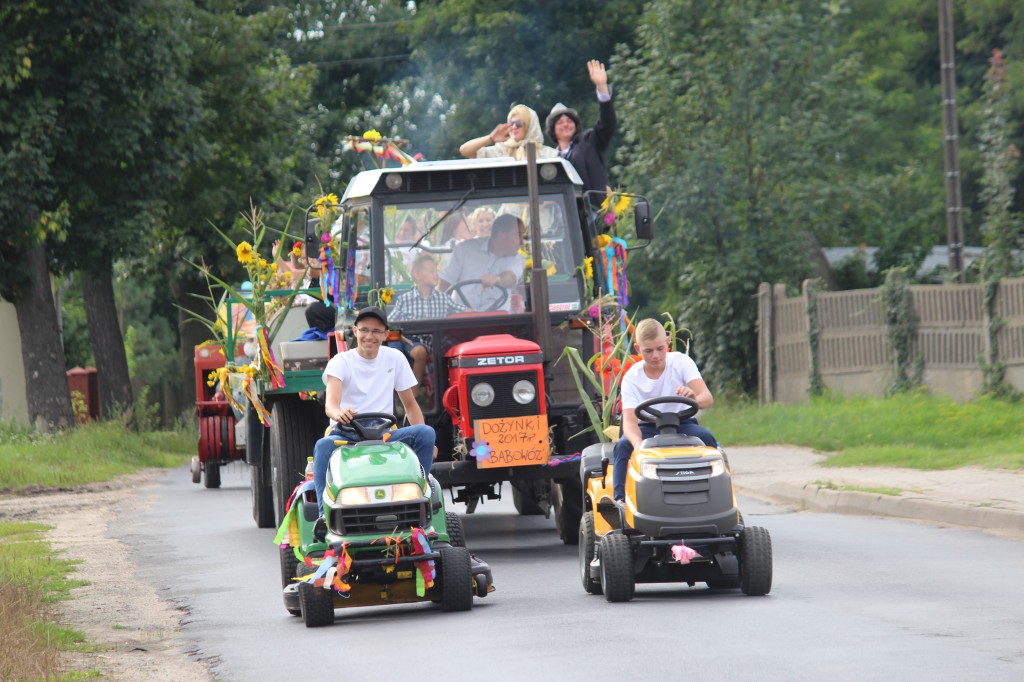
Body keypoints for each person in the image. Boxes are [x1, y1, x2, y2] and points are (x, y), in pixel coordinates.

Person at [311, 306, 436, 510]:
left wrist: (431, 445)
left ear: (386, 334)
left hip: (384, 433)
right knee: (322, 446)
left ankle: (420, 499)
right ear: (355, 331)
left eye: (376, 331)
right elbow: (331, 406)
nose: (370, 336)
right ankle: (322, 515)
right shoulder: (340, 362)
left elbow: (410, 404)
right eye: (365, 330)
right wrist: (340, 414)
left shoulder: (394, 358)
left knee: (426, 433)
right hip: (347, 434)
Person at [612, 318, 717, 502]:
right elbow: (629, 422)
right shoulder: (631, 377)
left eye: (660, 349)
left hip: (682, 424)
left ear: (667, 343)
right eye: (648, 351)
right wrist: (638, 446)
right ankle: (619, 503)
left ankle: (718, 496)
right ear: (638, 349)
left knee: (706, 438)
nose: (656, 356)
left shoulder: (681, 362)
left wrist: (694, 398)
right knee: (622, 447)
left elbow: (706, 398)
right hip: (647, 429)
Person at [388, 254, 467, 382]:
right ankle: (413, 395)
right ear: (418, 275)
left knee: (461, 348)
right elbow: (391, 322)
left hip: (438, 340)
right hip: (415, 340)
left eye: (436, 271)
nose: (436, 274)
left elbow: (462, 310)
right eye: (432, 271)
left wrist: (482, 312)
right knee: (420, 352)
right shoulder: (405, 299)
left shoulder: (443, 298)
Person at [545, 60, 616, 197]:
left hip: (595, 213)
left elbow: (607, 124)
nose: (565, 124)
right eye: (560, 122)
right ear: (552, 130)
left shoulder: (589, 142)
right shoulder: (550, 158)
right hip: (565, 215)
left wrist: (602, 87)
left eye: (569, 120)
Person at [438, 214, 526, 312]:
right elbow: (445, 282)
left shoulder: (517, 259)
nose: (522, 242)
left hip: (497, 322)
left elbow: (511, 277)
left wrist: (497, 279)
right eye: (518, 236)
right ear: (501, 236)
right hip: (462, 319)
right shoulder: (464, 250)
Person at [459, 104, 558, 161]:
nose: (514, 127)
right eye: (511, 123)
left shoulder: (548, 154)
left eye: (519, 123)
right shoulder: (501, 150)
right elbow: (464, 150)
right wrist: (491, 138)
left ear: (529, 126)